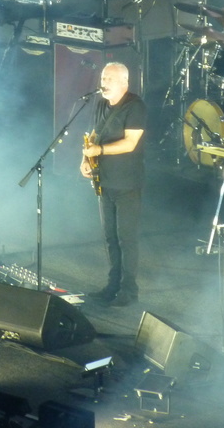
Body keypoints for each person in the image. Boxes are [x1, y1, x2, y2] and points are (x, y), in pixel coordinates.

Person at [81, 62, 146, 307]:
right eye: (103, 77)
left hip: (127, 183)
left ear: (124, 83)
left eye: (109, 78)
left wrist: (100, 150)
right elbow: (94, 136)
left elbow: (130, 143)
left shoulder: (135, 106)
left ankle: (129, 291)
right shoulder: (100, 104)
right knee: (109, 237)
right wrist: (86, 159)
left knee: (126, 238)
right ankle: (112, 286)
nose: (104, 82)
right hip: (104, 181)